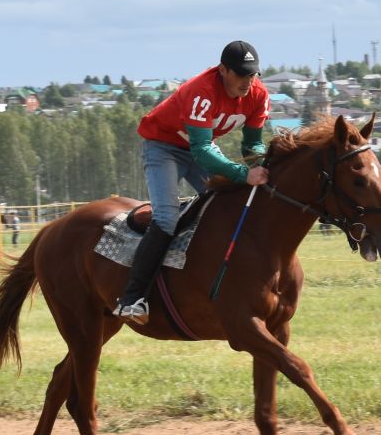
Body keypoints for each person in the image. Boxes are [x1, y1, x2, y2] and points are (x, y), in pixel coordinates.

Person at [112, 40, 272, 323]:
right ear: (223, 70)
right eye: (241, 74)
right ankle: (131, 299)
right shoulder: (203, 92)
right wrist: (242, 173)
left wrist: (259, 165)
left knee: (230, 203)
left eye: (253, 74)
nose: (248, 81)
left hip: (201, 149)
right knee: (167, 217)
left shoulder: (258, 94)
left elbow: (252, 146)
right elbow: (201, 150)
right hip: (164, 148)